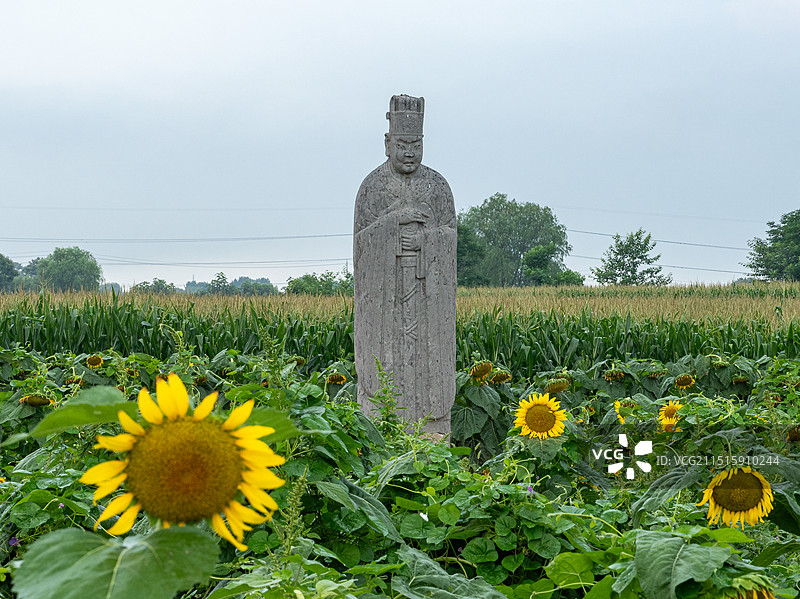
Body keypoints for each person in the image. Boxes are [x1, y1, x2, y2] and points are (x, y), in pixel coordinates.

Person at [353, 95, 457, 434]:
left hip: (428, 303)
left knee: (426, 374)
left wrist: (426, 241)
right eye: (402, 144)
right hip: (386, 306)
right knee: (387, 375)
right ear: (387, 143)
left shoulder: (438, 187)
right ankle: (384, 430)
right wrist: (392, 228)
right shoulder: (372, 189)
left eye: (415, 144)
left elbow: (450, 236)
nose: (409, 152)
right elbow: (361, 244)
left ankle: (431, 432)